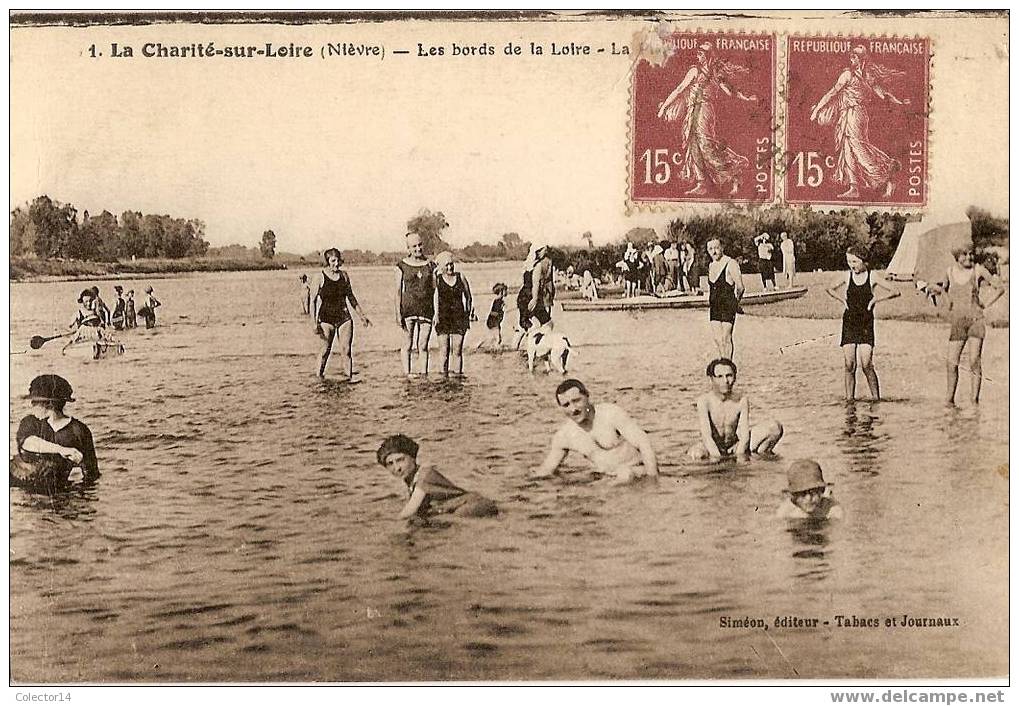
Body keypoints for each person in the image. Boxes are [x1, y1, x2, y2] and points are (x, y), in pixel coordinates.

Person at [809, 45, 911, 199]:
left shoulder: (849, 76)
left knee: (858, 148)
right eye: (851, 56)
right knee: (848, 149)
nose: (851, 58)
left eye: (854, 56)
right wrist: (900, 103)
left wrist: (817, 110)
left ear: (861, 58)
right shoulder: (864, 76)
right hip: (850, 115)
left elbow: (832, 93)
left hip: (854, 114)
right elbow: (884, 95)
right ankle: (854, 187)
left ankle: (887, 174)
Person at [657, 41, 758, 196]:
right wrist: (664, 106)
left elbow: (729, 91)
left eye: (701, 53)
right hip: (692, 110)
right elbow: (679, 89)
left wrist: (746, 98)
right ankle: (701, 183)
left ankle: (734, 169)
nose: (698, 55)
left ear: (707, 55)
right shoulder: (694, 71)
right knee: (693, 144)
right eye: (698, 53)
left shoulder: (715, 73)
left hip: (704, 110)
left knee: (705, 144)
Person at [532, 379, 658, 485]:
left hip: (637, 471)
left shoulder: (611, 414)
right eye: (566, 405)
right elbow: (547, 469)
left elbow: (644, 444)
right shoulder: (565, 436)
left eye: (576, 401)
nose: (573, 409)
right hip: (606, 478)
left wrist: (653, 481)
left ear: (587, 396)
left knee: (625, 473)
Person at [928, 245, 1005, 406]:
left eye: (971, 254)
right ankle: (949, 400)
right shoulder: (949, 272)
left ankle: (974, 401)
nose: (969, 257)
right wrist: (935, 291)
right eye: (965, 254)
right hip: (957, 322)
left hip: (976, 322)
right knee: (951, 362)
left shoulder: (978, 271)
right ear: (957, 256)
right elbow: (945, 295)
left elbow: (999, 289)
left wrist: (985, 304)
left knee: (974, 361)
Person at [825, 246, 900, 401]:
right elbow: (829, 288)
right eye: (849, 261)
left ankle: (876, 399)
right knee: (849, 365)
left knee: (866, 364)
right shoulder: (847, 276)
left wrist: (875, 300)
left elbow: (895, 291)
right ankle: (849, 401)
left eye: (854, 261)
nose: (852, 265)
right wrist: (842, 300)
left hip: (865, 324)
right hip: (849, 322)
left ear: (864, 262)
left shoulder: (872, 276)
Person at [10, 374, 99, 493]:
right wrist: (62, 450)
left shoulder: (79, 431)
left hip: (57, 490)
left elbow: (91, 472)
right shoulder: (30, 422)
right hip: (17, 484)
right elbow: (27, 442)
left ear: (49, 404)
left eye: (35, 402)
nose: (31, 405)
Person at [377, 434, 498, 520]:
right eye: (390, 464)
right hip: (464, 506)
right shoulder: (412, 478)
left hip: (473, 505)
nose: (397, 468)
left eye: (400, 460)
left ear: (412, 458)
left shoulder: (425, 475)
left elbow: (408, 512)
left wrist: (382, 524)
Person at [687, 358, 783, 462]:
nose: (725, 381)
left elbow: (745, 435)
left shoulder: (741, 400)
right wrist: (718, 459)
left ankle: (759, 457)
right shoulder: (704, 401)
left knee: (774, 428)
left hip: (733, 445)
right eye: (719, 376)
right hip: (712, 446)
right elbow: (707, 436)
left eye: (729, 376)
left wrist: (740, 457)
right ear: (711, 379)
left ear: (735, 377)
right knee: (696, 454)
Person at [313, 248, 372, 379]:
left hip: (344, 317)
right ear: (327, 262)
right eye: (333, 261)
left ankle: (348, 378)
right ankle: (318, 378)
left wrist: (362, 316)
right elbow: (312, 301)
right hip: (326, 319)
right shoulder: (319, 277)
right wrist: (314, 322)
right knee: (325, 351)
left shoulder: (344, 276)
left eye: (338, 260)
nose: (336, 263)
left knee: (346, 351)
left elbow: (351, 297)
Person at [396, 233, 436, 378]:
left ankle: (423, 374)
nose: (418, 248)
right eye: (414, 246)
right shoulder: (402, 265)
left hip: (426, 310)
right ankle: (407, 374)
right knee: (407, 344)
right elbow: (398, 292)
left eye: (420, 245)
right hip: (408, 310)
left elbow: (435, 290)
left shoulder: (431, 265)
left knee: (423, 345)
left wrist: (436, 312)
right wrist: (397, 313)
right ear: (408, 248)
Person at [433, 251, 473, 377]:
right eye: (446, 265)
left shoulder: (460, 277)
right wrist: (436, 314)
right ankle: (443, 378)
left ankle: (457, 377)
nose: (450, 267)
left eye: (451, 264)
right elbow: (433, 298)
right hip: (443, 318)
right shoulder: (437, 280)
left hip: (458, 317)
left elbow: (468, 297)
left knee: (457, 351)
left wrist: (468, 313)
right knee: (444, 351)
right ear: (441, 267)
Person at [706, 238, 744, 359]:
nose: (714, 252)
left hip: (728, 304)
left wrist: (736, 302)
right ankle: (722, 362)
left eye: (716, 248)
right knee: (717, 338)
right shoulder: (711, 265)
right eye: (711, 249)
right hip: (714, 305)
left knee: (726, 337)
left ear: (722, 248)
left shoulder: (730, 263)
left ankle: (729, 364)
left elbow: (740, 287)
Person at [776, 459, 844, 520]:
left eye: (813, 493)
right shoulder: (786, 512)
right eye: (803, 494)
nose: (809, 498)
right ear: (792, 495)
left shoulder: (830, 509)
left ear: (821, 491)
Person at [516, 239, 555, 337]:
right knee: (546, 323)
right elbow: (535, 283)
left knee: (525, 325)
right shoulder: (537, 266)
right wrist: (535, 299)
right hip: (530, 296)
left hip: (524, 296)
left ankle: (515, 348)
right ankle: (541, 345)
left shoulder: (529, 265)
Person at [63, 288, 106, 354]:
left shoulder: (95, 313)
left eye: (90, 301)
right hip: (82, 337)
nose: (88, 304)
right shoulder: (78, 313)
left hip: (95, 336)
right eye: (86, 302)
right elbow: (69, 326)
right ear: (82, 302)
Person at [475, 282, 509, 351]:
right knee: (498, 339)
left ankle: (479, 345)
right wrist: (503, 308)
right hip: (494, 321)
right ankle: (495, 351)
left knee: (492, 337)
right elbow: (497, 312)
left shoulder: (497, 300)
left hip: (493, 320)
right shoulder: (499, 301)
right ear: (501, 292)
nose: (507, 292)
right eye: (506, 290)